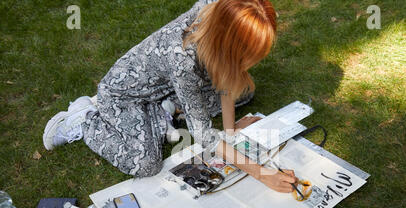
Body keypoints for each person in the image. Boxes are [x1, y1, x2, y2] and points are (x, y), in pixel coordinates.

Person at [43, 0, 298, 193]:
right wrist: (263, 174)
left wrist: (231, 131)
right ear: (228, 44)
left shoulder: (217, 7)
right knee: (146, 164)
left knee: (244, 93)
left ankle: (164, 112)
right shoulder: (183, 61)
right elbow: (203, 135)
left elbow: (227, 76)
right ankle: (86, 119)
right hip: (124, 95)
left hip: (164, 86)